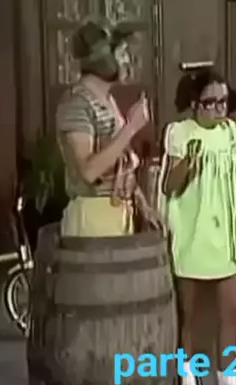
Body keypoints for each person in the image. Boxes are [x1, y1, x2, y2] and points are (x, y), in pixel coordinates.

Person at [158, 68, 236, 385]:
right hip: (191, 236)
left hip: (226, 237)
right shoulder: (179, 133)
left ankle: (228, 381)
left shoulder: (230, 132)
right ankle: (188, 384)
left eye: (223, 102)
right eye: (210, 102)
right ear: (194, 103)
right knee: (188, 317)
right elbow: (169, 186)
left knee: (232, 312)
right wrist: (189, 163)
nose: (218, 109)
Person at [55, 18, 161, 238]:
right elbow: (89, 171)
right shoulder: (77, 103)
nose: (127, 60)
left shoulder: (108, 100)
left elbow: (121, 158)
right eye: (121, 54)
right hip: (93, 214)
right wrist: (131, 127)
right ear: (103, 58)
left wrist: (144, 206)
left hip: (118, 212)